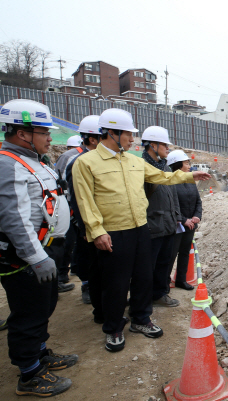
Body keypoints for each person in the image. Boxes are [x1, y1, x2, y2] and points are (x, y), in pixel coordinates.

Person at [72, 108, 211, 353]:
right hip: (113, 233)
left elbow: (163, 177)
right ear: (112, 133)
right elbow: (85, 201)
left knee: (144, 278)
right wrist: (97, 231)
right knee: (115, 283)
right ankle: (114, 328)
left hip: (140, 229)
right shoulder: (86, 163)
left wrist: (191, 176)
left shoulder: (134, 162)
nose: (132, 139)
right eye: (128, 134)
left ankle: (141, 319)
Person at [0, 99, 77, 397]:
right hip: (25, 257)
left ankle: (40, 353)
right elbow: (13, 218)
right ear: (23, 133)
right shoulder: (8, 164)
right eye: (44, 132)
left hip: (47, 250)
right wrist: (36, 257)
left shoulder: (34, 160)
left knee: (43, 306)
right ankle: (29, 374)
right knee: (28, 312)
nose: (49, 138)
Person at [141, 126, 181, 307]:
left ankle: (160, 293)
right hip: (152, 225)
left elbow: (173, 195)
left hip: (168, 224)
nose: (168, 148)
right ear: (152, 145)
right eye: (165, 145)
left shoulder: (165, 167)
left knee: (164, 263)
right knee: (146, 267)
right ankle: (143, 300)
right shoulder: (141, 167)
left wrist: (176, 217)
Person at [65, 115, 102, 307]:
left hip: (104, 223)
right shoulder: (79, 162)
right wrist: (85, 227)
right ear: (93, 139)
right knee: (90, 262)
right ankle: (88, 288)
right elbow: (78, 200)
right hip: (87, 224)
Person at [53, 135, 86, 293]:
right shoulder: (71, 158)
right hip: (71, 206)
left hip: (74, 206)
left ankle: (72, 270)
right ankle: (61, 275)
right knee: (69, 242)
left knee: (78, 245)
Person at [167, 150, 202, 291]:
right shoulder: (171, 182)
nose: (189, 166)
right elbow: (171, 205)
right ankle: (164, 284)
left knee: (185, 253)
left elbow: (198, 201)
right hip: (176, 226)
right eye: (186, 163)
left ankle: (181, 279)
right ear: (178, 164)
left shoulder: (190, 181)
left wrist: (196, 216)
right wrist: (182, 219)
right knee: (171, 255)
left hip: (190, 226)